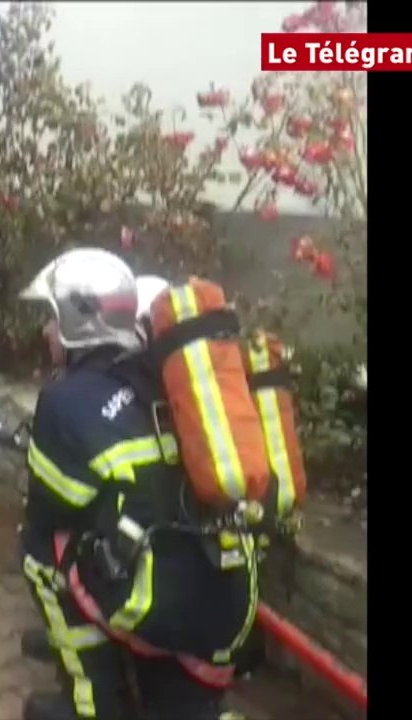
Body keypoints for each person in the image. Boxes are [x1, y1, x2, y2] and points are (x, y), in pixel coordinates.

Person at [17, 250, 255, 720]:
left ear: (79, 319)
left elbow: (54, 507)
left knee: (41, 553)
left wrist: (43, 448)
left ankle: (96, 701)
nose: (45, 330)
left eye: (51, 317)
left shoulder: (64, 399)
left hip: (156, 600)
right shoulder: (166, 370)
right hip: (226, 591)